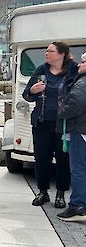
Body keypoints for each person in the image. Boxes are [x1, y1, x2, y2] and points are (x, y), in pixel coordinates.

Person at [23, 41, 77, 208]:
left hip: (64, 124)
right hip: (42, 122)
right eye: (46, 51)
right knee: (41, 158)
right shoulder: (41, 70)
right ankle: (42, 192)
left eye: (50, 51)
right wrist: (33, 91)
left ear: (61, 54)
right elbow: (26, 94)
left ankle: (60, 194)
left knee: (63, 159)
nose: (46, 53)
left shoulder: (73, 70)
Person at [57, 52, 86, 221]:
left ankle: (77, 206)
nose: (79, 65)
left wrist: (61, 112)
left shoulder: (82, 83)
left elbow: (75, 103)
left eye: (83, 62)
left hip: (80, 131)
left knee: (78, 169)